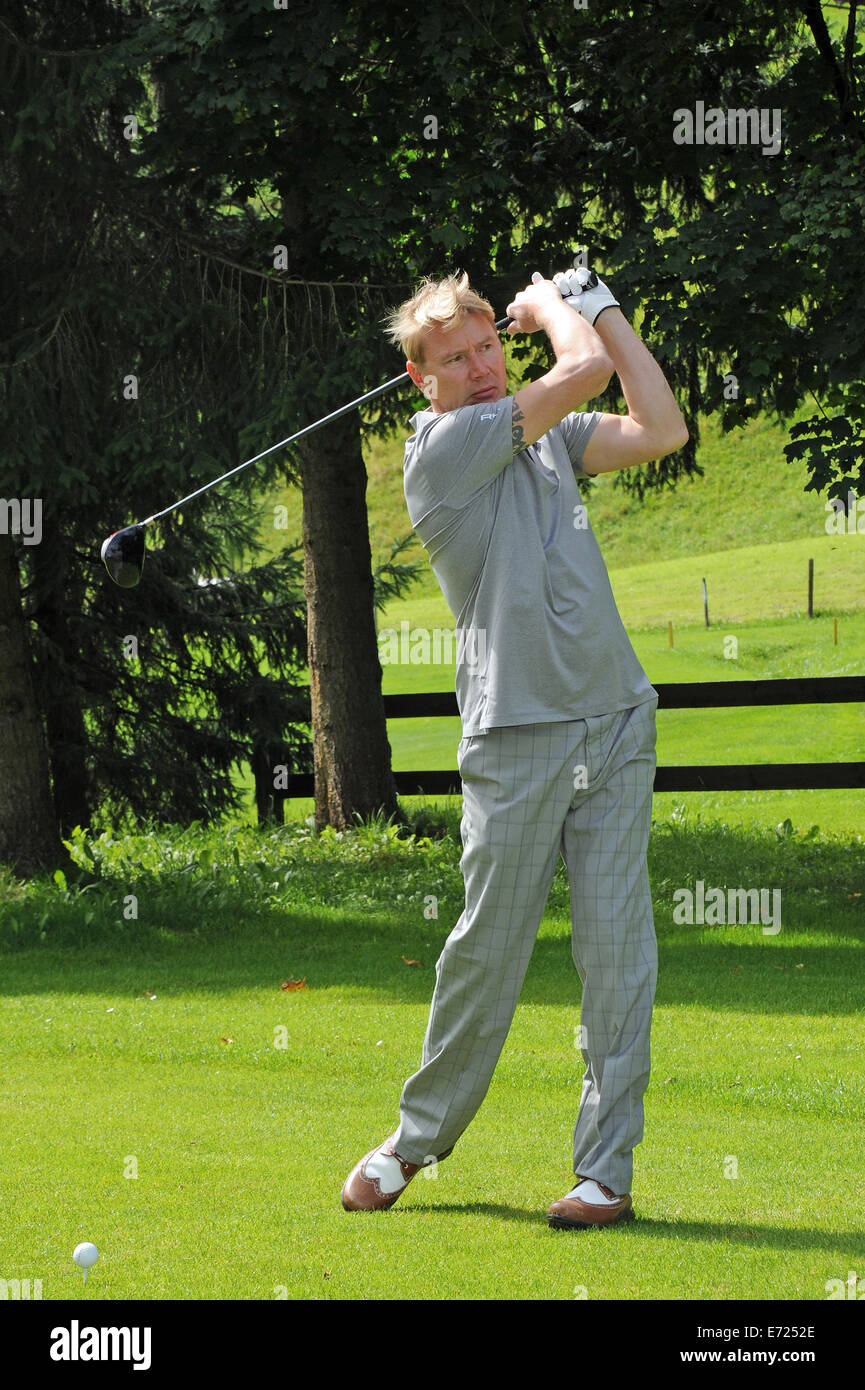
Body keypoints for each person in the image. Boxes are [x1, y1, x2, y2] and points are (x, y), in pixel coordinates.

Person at [341, 266, 688, 1229]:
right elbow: (576, 376)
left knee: (618, 951)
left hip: (614, 719)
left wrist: (606, 309)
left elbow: (661, 428)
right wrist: (556, 314)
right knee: (485, 953)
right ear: (422, 381)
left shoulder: (542, 442)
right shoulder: (446, 449)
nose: (484, 365)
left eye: (493, 343)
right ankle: (415, 1142)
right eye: (456, 357)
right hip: (516, 734)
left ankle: (604, 1174)